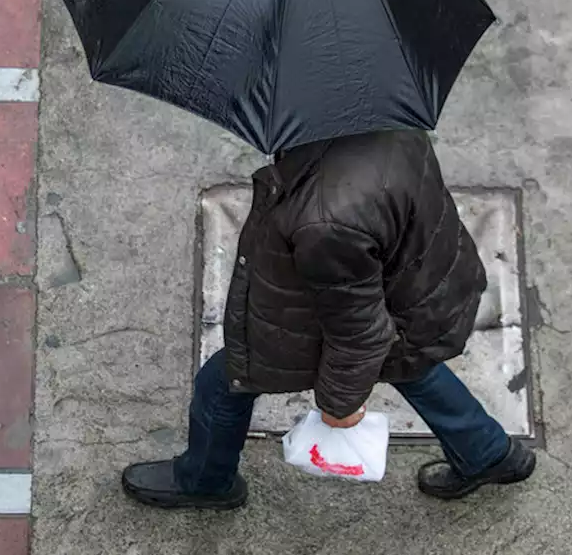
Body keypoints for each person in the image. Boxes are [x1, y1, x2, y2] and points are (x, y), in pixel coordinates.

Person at [122, 129, 536, 509]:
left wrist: (340, 404)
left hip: (366, 302)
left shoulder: (325, 218)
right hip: (414, 290)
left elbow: (361, 333)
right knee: (410, 361)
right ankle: (488, 454)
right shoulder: (396, 124)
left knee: (223, 383)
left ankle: (205, 482)